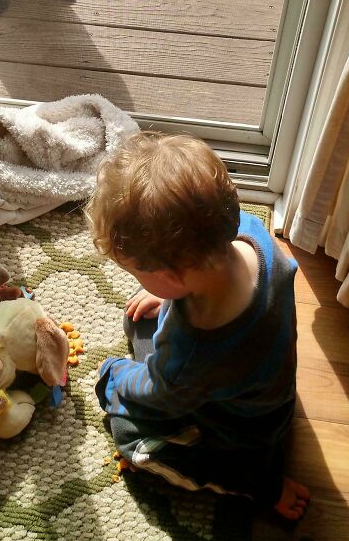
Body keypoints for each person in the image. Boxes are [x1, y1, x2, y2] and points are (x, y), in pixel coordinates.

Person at [86, 132, 309, 519]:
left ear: (172, 277)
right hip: (265, 389)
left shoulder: (195, 354)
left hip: (241, 435)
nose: (140, 281)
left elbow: (157, 394)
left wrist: (112, 376)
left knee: (129, 436)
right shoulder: (251, 231)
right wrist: (169, 295)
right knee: (137, 319)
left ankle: (255, 484)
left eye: (140, 273)